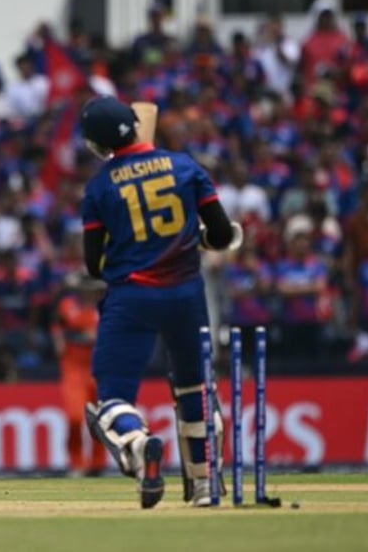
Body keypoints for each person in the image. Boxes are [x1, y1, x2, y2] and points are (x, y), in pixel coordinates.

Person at [78, 95, 241, 508]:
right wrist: (197, 239)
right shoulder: (186, 166)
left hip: (132, 297)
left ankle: (137, 443)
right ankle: (205, 486)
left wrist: (125, 245)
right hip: (187, 294)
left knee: (111, 397)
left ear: (97, 143)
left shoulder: (99, 187)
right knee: (195, 389)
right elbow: (221, 235)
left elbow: (94, 266)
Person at [51, 273, 106, 477]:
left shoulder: (103, 308)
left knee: (99, 420)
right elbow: (57, 324)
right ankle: (77, 463)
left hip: (97, 368)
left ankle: (96, 465)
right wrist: (59, 339)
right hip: (73, 368)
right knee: (74, 417)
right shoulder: (67, 305)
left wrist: (95, 337)